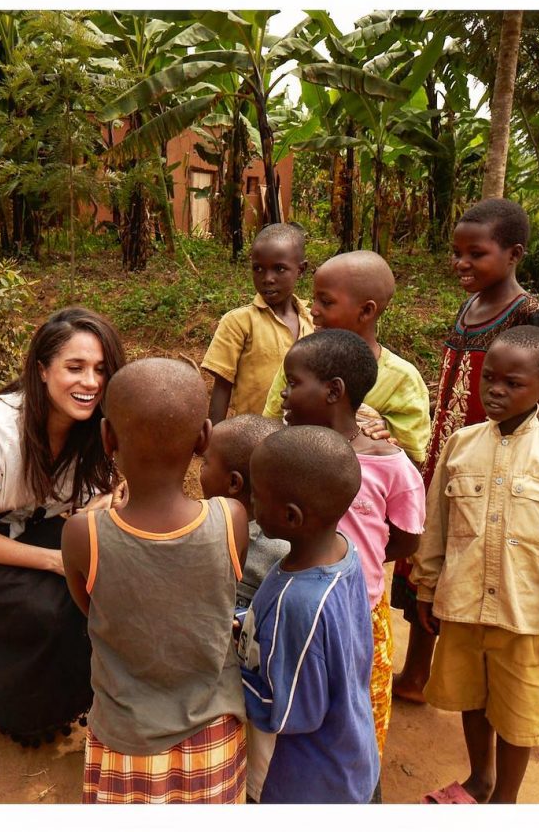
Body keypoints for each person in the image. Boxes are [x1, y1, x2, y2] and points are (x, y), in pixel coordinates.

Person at [391, 198, 539, 727]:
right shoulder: (470, 306)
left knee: (484, 569)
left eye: (476, 254)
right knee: (433, 564)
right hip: (450, 463)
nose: (462, 263)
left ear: (514, 254)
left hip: (492, 472)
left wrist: (507, 440)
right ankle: (417, 674)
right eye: (457, 252)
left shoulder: (530, 315)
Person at [411, 326, 539, 804]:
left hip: (524, 618)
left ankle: (505, 802)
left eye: (513, 383)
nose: (495, 390)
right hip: (462, 604)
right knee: (471, 698)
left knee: (519, 715)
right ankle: (480, 779)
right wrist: (426, 588)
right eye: (489, 378)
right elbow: (437, 524)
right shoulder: (460, 445)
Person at [0, 307, 126, 745]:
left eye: (101, 369)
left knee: (97, 586)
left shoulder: (97, 427)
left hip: (29, 522)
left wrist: (100, 509)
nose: (90, 382)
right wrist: (56, 560)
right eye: (75, 367)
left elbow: (85, 504)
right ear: (42, 369)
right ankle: (10, 708)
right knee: (44, 607)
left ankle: (76, 697)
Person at [61, 358, 249, 804]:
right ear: (204, 437)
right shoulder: (231, 519)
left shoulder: (84, 535)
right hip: (213, 734)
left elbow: (90, 607)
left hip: (126, 738)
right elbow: (222, 593)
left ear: (107, 437)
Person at [279, 329, 426, 767]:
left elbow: (407, 537)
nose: (284, 393)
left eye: (293, 382)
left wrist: (357, 560)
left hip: (361, 609)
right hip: (293, 604)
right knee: (295, 697)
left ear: (333, 391)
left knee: (363, 705)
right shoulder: (283, 450)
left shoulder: (390, 465)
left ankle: (357, 780)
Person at [236, 425, 380, 803]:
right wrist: (243, 621)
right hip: (347, 748)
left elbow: (287, 711)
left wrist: (229, 672)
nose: (250, 501)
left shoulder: (298, 601)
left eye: (257, 496)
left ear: (291, 516)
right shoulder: (342, 553)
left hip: (303, 780)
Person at [262, 250, 431, 464]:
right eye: (314, 300)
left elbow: (410, 463)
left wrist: (382, 433)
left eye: (326, 302)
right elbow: (270, 428)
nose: (313, 310)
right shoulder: (298, 362)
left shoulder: (402, 380)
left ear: (366, 311)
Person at [202, 223, 313, 424]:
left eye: (279, 269)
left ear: (301, 270)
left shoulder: (313, 322)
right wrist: (213, 437)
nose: (267, 278)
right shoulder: (238, 322)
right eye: (258, 269)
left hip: (302, 434)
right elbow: (222, 386)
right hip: (252, 435)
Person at [198, 413, 288, 623]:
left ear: (233, 483)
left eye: (205, 462)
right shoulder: (200, 519)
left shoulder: (281, 555)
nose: (200, 469)